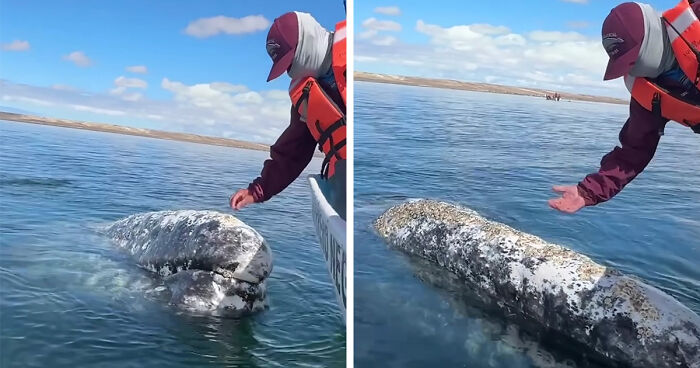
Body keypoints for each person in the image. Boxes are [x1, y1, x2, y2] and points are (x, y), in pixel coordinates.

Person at [549, 1, 700, 213]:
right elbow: (633, 152)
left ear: (651, 41)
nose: (633, 70)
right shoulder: (648, 90)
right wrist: (587, 192)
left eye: (633, 59)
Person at [229, 12, 347, 218]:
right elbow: (292, 152)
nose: (289, 72)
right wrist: (257, 191)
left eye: (290, 62)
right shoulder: (308, 97)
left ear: (306, 45)